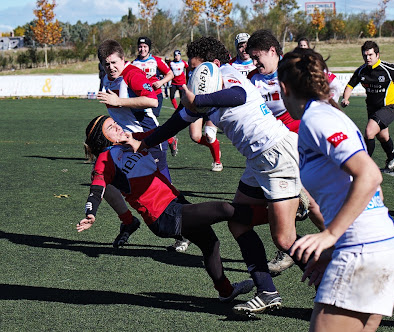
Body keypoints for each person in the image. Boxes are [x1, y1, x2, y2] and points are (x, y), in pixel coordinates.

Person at [123, 36, 305, 316]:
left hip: (275, 153)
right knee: (238, 224)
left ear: (215, 65)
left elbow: (239, 97)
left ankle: (334, 285)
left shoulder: (229, 75)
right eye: (192, 70)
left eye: (197, 69)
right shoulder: (205, 92)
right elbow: (175, 122)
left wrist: (199, 99)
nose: (194, 76)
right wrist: (143, 142)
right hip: (258, 161)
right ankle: (267, 291)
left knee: (283, 239)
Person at [278, 47, 394, 332]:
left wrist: (332, 235)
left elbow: (371, 175)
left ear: (284, 88)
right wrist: (335, 247)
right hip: (383, 247)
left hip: (363, 252)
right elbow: (376, 193)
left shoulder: (317, 119)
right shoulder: (330, 115)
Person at [79, 115, 256, 304]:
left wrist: (189, 113)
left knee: (210, 243)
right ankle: (276, 216)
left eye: (115, 123)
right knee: (224, 209)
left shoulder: (133, 137)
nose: (117, 127)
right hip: (162, 214)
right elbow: (97, 186)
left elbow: (161, 132)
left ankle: (226, 291)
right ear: (103, 138)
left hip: (175, 201)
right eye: (111, 128)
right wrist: (90, 212)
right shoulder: (106, 158)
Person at [246, 29, 325, 276]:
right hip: (271, 149)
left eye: (258, 57)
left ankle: (338, 239)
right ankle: (288, 246)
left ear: (273, 52)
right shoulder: (251, 79)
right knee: (278, 203)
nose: (255, 63)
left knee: (310, 202)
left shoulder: (292, 73)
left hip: (298, 143)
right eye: (252, 58)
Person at [97, 39, 172, 247]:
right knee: (104, 178)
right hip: (128, 142)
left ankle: (186, 231)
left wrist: (118, 101)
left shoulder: (132, 74)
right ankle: (128, 222)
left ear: (123, 59)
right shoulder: (106, 77)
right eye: (106, 64)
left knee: (162, 193)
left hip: (148, 140)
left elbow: (152, 101)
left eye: (114, 62)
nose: (111, 67)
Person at [341, 40, 394, 171]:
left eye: (370, 55)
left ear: (377, 55)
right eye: (365, 55)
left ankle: (364, 165)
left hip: (389, 107)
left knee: (369, 131)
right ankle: (392, 156)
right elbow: (350, 85)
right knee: (382, 136)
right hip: (372, 109)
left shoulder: (388, 69)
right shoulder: (361, 71)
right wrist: (345, 99)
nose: (368, 58)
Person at [132, 36, 178, 156]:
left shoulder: (156, 61)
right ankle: (167, 139)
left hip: (155, 97)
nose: (142, 49)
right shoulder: (133, 63)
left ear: (149, 48)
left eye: (145, 47)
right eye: (140, 47)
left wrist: (161, 82)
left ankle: (165, 140)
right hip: (141, 98)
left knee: (149, 123)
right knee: (144, 124)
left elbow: (170, 74)